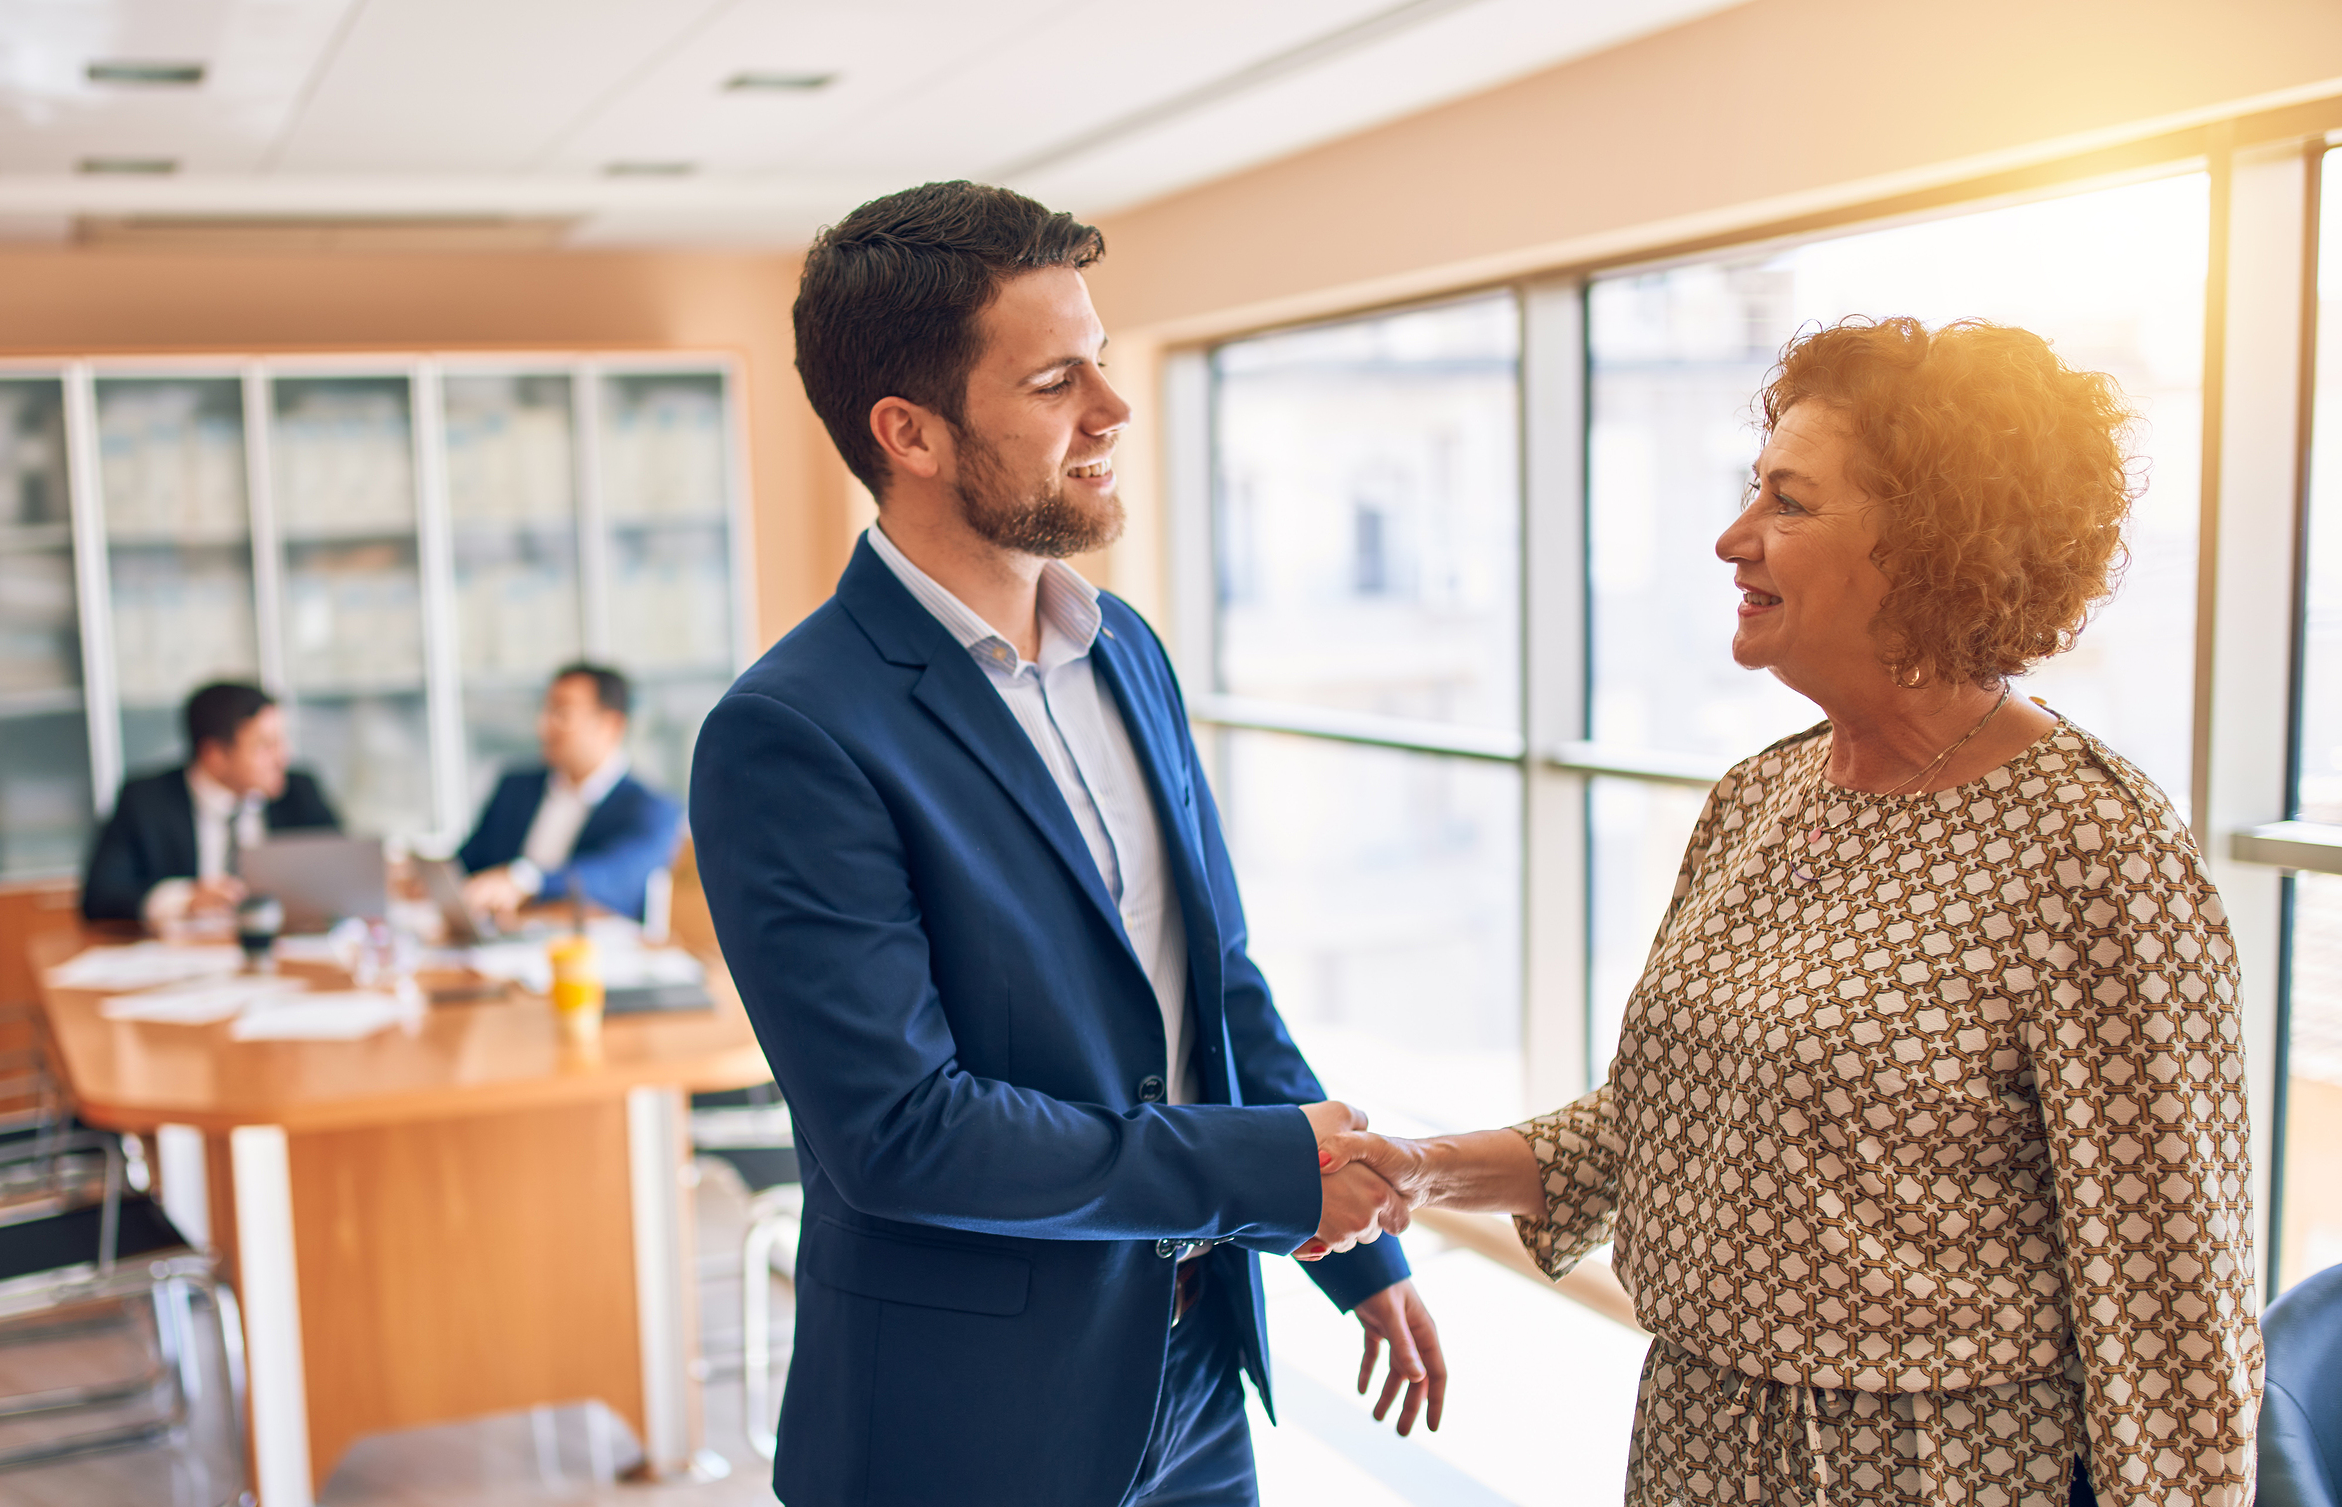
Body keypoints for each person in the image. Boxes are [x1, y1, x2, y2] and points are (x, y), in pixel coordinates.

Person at [1324, 317, 2263, 1504]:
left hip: (1936, 1473)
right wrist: (1423, 1166)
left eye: (1788, 503)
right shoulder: (1760, 794)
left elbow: (2175, 1313)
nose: (1732, 537)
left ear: (1930, 548)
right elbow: (1670, 1122)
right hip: (1696, 1440)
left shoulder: (2096, 852)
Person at [688, 180, 1435, 1507]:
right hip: (970, 1425)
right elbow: (904, 1131)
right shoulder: (793, 731)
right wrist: (1272, 1172)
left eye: (1101, 358)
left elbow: (1216, 991)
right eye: (1055, 381)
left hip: (1194, 1380)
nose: (1114, 406)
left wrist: (1351, 1238)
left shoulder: (1125, 649)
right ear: (909, 433)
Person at [80, 682, 338, 923]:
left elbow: (343, 871)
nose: (282, 758)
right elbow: (100, 896)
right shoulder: (145, 801)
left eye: (281, 741)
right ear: (213, 754)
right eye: (264, 747)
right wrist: (186, 899)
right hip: (183, 957)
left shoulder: (300, 791)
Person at [453, 663, 684, 924]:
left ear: (610, 725)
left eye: (561, 713)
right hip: (493, 944)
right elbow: (467, 863)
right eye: (545, 711)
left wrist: (524, 880)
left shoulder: (652, 809)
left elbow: (615, 876)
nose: (542, 726)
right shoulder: (514, 788)